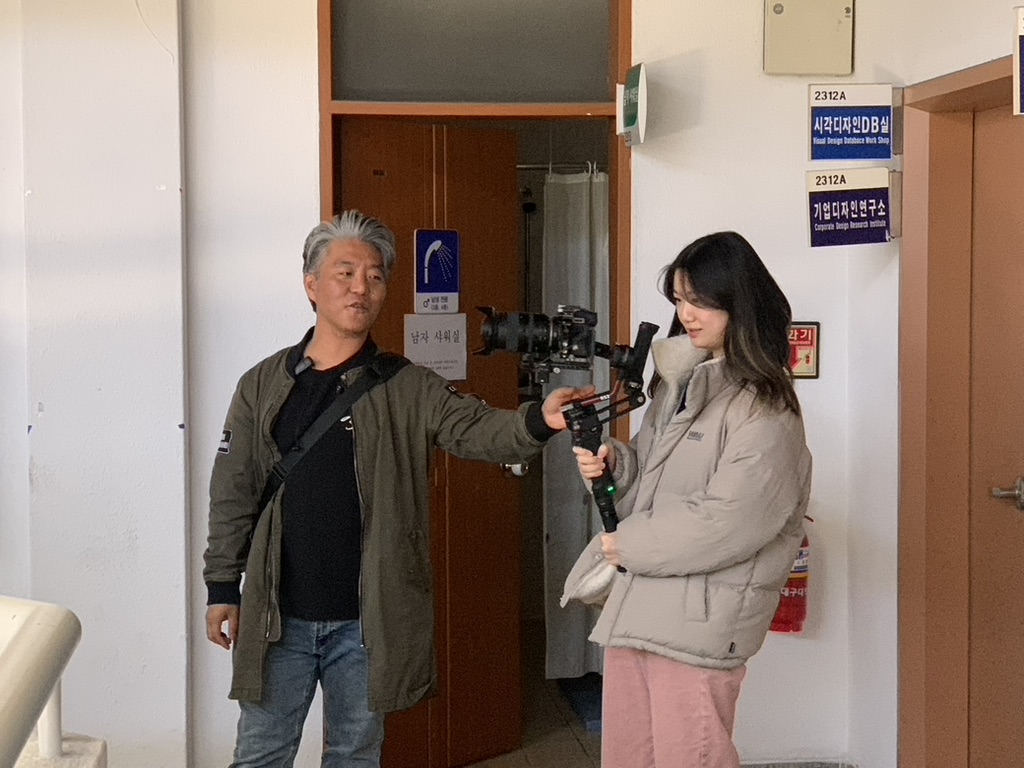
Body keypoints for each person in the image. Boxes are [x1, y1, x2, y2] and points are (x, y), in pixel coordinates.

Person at [203, 210, 589, 768]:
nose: (361, 287)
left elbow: (479, 430)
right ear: (311, 285)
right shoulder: (263, 384)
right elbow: (233, 489)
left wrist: (539, 419)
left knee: (355, 756)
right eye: (345, 273)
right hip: (277, 615)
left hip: (369, 622)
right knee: (261, 755)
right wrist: (222, 585)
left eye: (375, 276)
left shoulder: (407, 386)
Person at [563, 231, 812, 768]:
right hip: (642, 609)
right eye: (678, 299)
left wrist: (625, 545)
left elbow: (729, 521)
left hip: (697, 628)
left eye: (699, 300)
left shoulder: (765, 408)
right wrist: (615, 465)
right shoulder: (678, 388)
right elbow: (649, 481)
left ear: (739, 303)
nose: (685, 314)